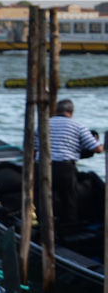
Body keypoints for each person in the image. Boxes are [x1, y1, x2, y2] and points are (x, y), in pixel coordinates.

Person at [44, 98, 103, 232]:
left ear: (56, 111)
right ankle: (70, 230)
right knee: (69, 198)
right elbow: (97, 149)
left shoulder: (44, 124)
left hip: (43, 167)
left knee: (46, 196)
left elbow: (34, 149)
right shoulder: (77, 126)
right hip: (64, 168)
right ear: (71, 112)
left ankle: (46, 225)